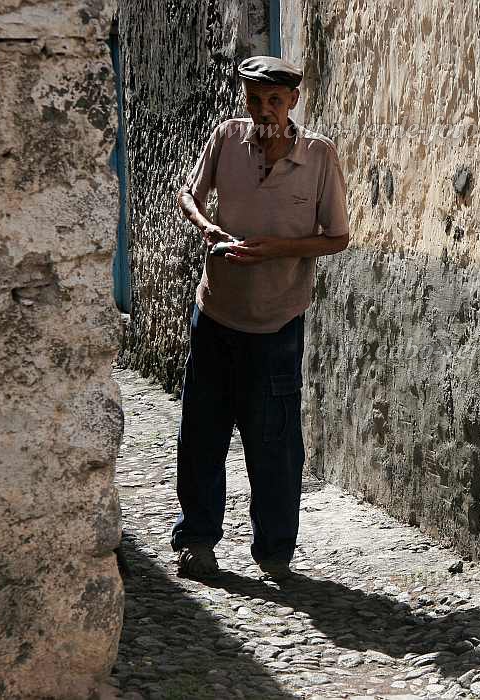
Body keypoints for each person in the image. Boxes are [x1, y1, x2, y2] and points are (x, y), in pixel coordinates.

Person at [169, 55, 350, 581]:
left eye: (274, 100)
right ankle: (198, 539)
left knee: (274, 443)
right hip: (217, 312)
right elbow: (189, 194)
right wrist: (207, 227)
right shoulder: (227, 139)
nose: (263, 109)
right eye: (254, 99)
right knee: (201, 433)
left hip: (277, 323)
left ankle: (275, 552)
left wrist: (278, 249)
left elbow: (337, 237)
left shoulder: (318, 157)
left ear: (293, 100)